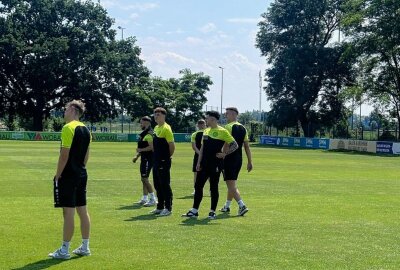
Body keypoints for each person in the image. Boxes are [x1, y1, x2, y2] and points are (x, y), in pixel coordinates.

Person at [49, 100, 92, 259]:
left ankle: (64, 250)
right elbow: (87, 154)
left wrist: (58, 174)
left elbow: (64, 154)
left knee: (68, 212)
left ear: (73, 109)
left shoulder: (68, 128)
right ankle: (85, 246)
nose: (64, 112)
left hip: (68, 175)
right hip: (81, 173)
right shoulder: (87, 129)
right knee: (82, 210)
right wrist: (80, 168)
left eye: (66, 109)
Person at [182, 111, 238, 219]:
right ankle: (194, 210)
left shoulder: (223, 131)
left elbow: (234, 145)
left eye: (207, 118)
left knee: (213, 187)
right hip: (204, 164)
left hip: (215, 164)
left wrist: (224, 154)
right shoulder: (206, 131)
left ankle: (212, 212)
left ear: (213, 119)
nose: (206, 120)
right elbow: (202, 148)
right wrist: (198, 162)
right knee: (198, 186)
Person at [220, 107, 253, 216]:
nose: (226, 116)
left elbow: (225, 144)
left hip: (229, 158)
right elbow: (246, 146)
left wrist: (222, 156)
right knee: (232, 183)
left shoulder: (228, 127)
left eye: (227, 114)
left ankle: (242, 205)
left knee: (231, 185)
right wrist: (249, 161)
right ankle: (227, 206)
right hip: (239, 159)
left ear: (234, 114)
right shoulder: (243, 128)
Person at [150, 107, 175, 216]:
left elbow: (172, 146)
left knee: (164, 184)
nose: (156, 116)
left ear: (164, 116)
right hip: (156, 160)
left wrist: (166, 157)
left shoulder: (166, 128)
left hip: (163, 161)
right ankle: (160, 206)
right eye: (155, 114)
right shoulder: (156, 128)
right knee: (157, 184)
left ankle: (168, 208)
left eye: (159, 114)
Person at [132, 116, 156, 207]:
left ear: (147, 123)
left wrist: (140, 151)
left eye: (141, 122)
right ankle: (145, 198)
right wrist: (137, 156)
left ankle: (153, 199)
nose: (140, 124)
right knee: (143, 179)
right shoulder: (144, 134)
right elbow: (141, 148)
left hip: (148, 160)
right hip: (144, 159)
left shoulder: (149, 134)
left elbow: (151, 147)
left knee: (145, 179)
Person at [190, 119, 206, 195]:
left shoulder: (196, 134)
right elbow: (194, 146)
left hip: (200, 155)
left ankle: (197, 190)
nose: (201, 125)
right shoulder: (207, 133)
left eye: (201, 124)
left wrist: (200, 153)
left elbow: (194, 146)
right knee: (198, 173)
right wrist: (201, 154)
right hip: (204, 155)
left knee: (198, 173)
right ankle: (197, 189)